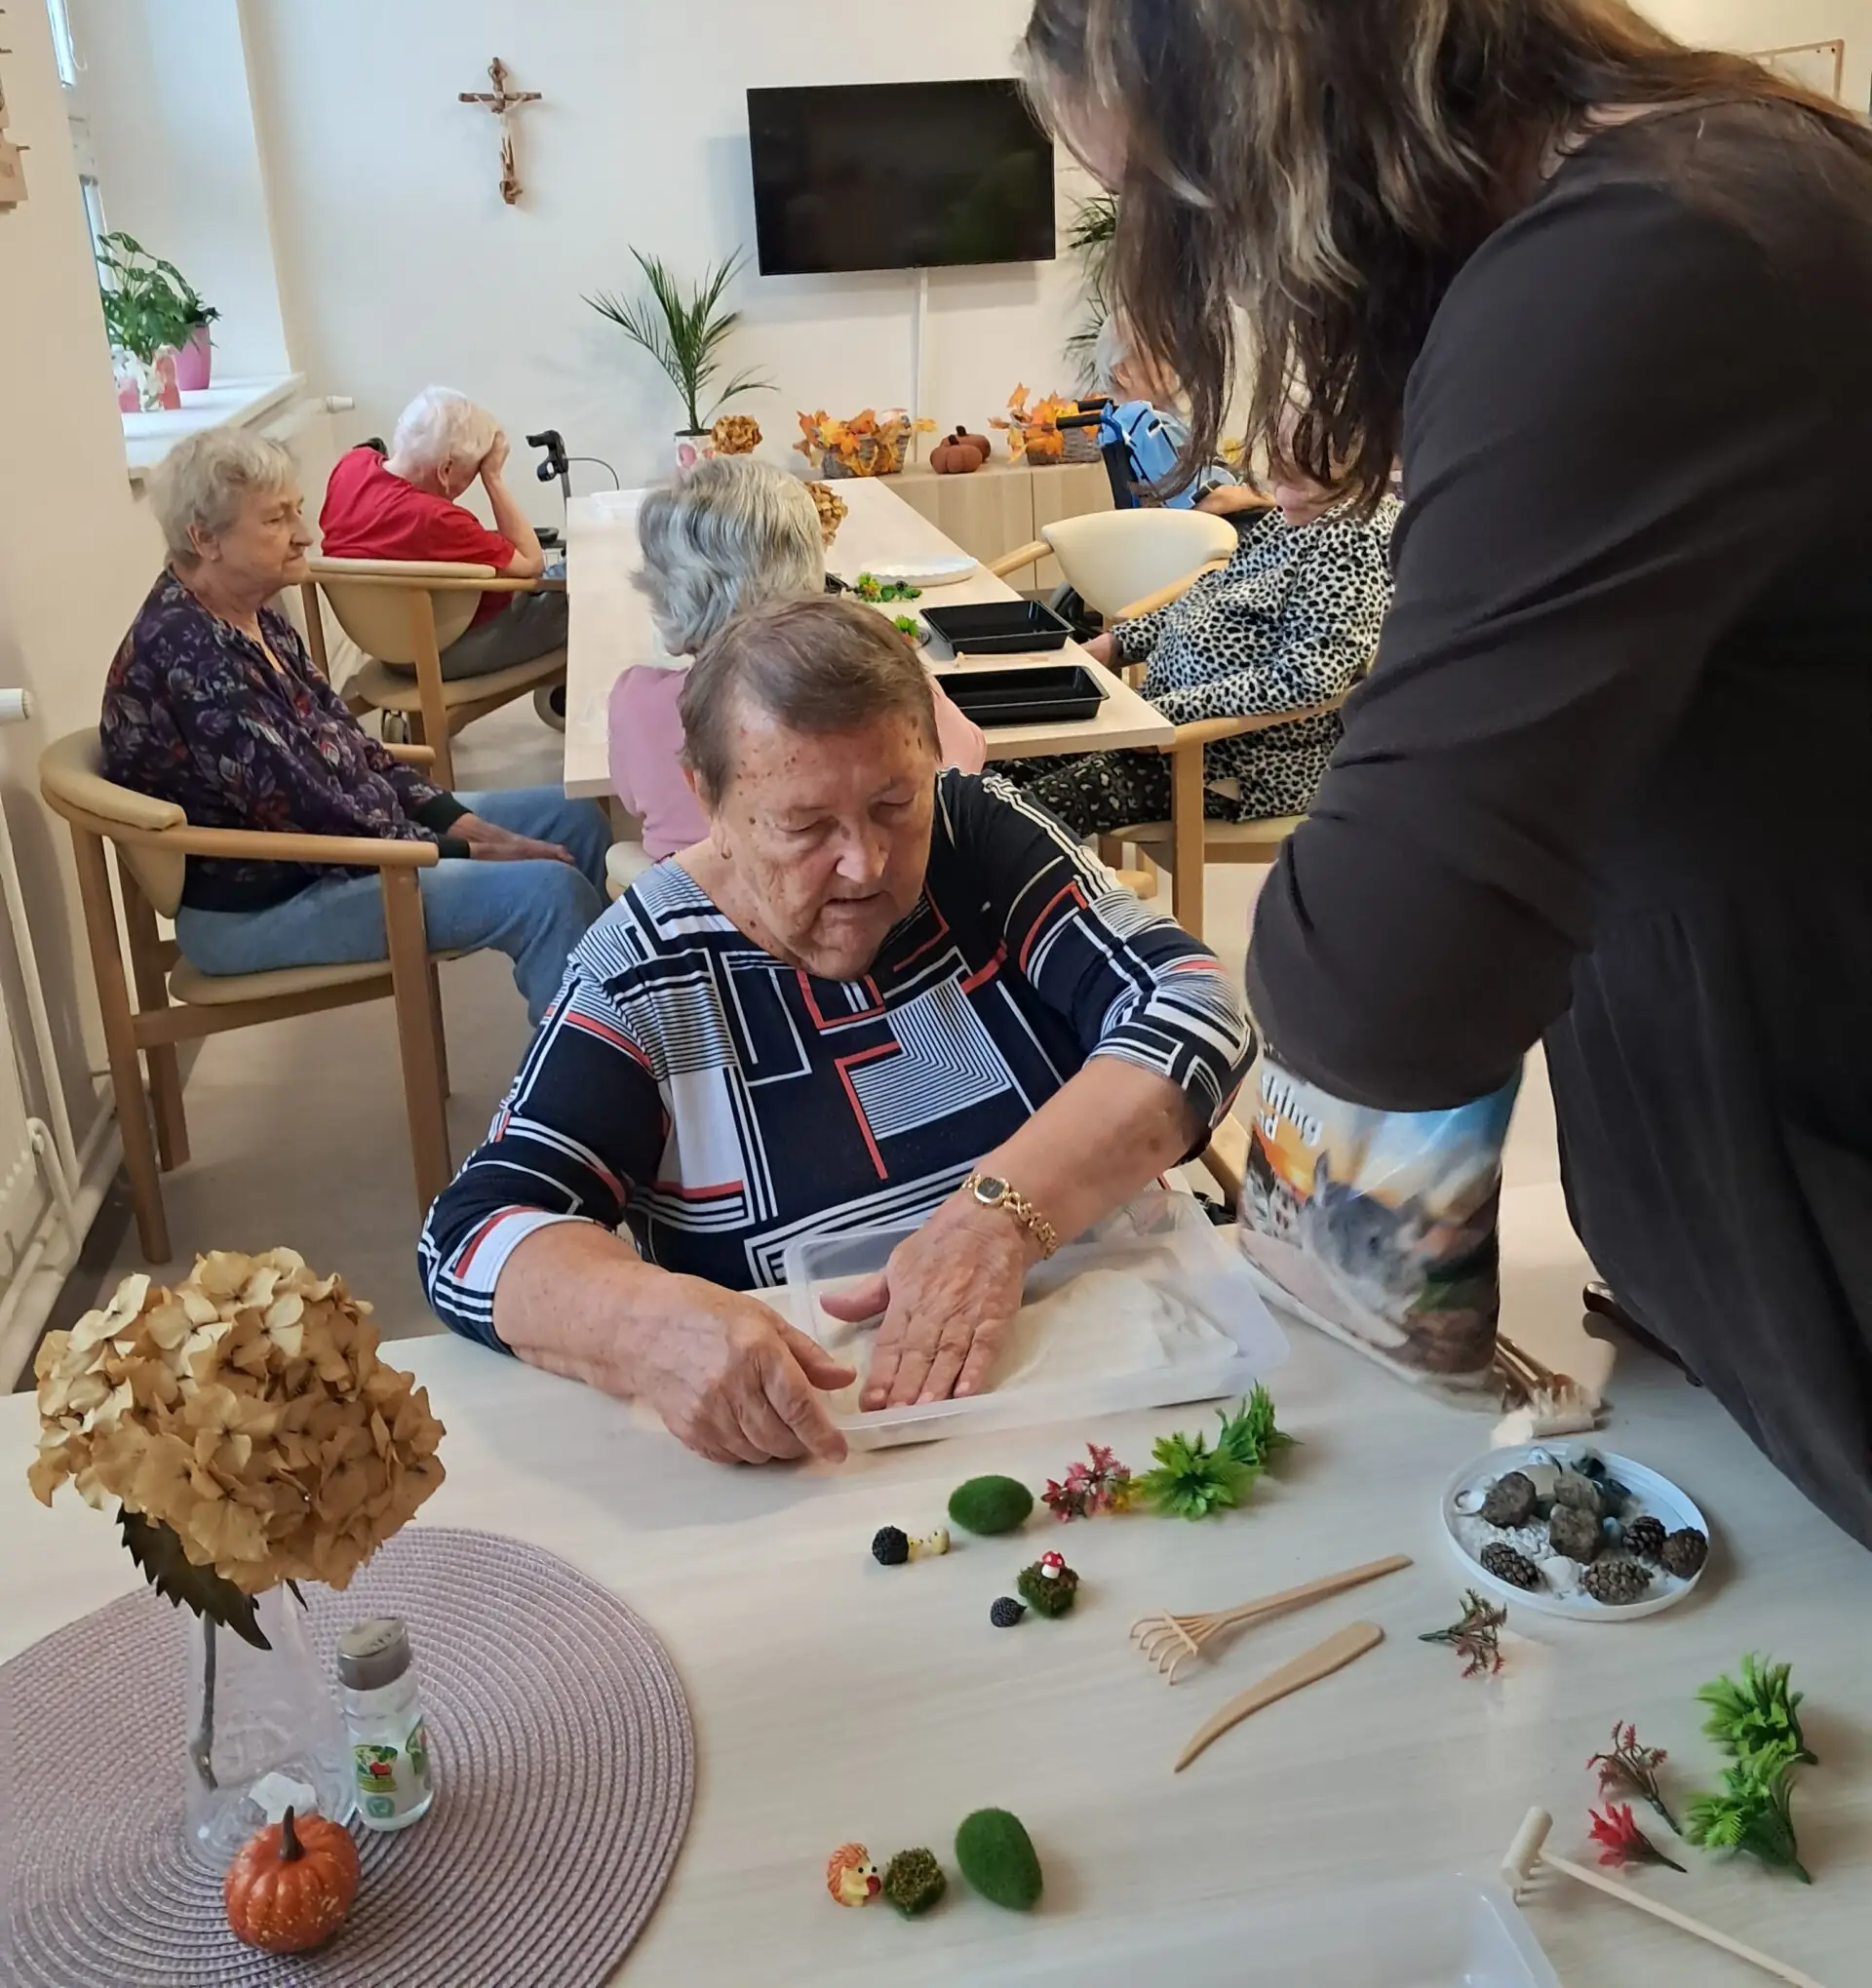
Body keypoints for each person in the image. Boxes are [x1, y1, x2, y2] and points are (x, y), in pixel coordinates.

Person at [1024, 0, 1872, 1543]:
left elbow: (1392, 973)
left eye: (1162, 197)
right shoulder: (1688, 180)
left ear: (1271, 140)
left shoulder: (1647, 253)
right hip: (1742, 1199)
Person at [420, 594, 1250, 1464]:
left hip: (1134, 1384)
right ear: (708, 801)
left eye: (895, 803)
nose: (865, 863)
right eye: (806, 825)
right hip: (835, 1451)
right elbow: (472, 1235)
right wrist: (643, 1324)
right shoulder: (645, 973)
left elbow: (1196, 1005)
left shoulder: (971, 835)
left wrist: (995, 1222)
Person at [104, 426, 609, 1025]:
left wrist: (463, 824)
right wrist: (470, 849)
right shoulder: (191, 656)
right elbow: (311, 815)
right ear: (204, 538)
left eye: (297, 510)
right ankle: (579, 1078)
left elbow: (351, 746)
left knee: (576, 818)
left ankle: (620, 1034)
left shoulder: (253, 614)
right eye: (276, 520)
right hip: (265, 900)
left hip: (337, 849)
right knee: (547, 893)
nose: (306, 534)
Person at [1007, 423, 1395, 838]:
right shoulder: (1295, 518)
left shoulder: (1350, 540)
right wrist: (1115, 643)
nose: (1271, 479)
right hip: (1168, 728)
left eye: (1287, 468)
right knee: (1005, 772)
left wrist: (1168, 715)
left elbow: (1307, 678)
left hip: (1240, 758)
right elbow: (1210, 599)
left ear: (1340, 466)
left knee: (1028, 813)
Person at [608, 453, 984, 861]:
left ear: (665, 586)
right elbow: (965, 760)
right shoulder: (881, 683)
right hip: (884, 894)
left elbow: (629, 801)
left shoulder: (634, 702)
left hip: (692, 900)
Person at [320, 386, 568, 679]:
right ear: (446, 469)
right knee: (592, 575)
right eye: (475, 470)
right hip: (451, 649)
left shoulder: (350, 466)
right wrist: (493, 478)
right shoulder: (436, 519)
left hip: (389, 649)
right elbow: (532, 563)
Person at [1092, 318, 1235, 508]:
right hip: (1228, 518)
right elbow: (1200, 501)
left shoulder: (1116, 419)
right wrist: (1266, 498)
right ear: (1124, 372)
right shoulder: (1141, 421)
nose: (1175, 364)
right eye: (1161, 355)